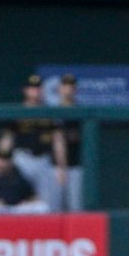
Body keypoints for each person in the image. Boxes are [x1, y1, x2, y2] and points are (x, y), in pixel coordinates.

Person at [0, 74, 67, 212]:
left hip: (44, 160)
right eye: (32, 88)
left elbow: (58, 141)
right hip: (22, 159)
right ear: (26, 90)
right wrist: (2, 159)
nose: (35, 91)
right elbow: (7, 138)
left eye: (38, 88)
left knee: (49, 204)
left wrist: (61, 167)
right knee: (17, 200)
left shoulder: (50, 113)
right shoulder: (17, 112)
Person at [54, 73, 84, 212]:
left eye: (71, 86)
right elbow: (56, 139)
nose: (68, 89)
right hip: (54, 167)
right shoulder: (52, 112)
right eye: (65, 86)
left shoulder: (81, 113)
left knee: (76, 207)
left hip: (76, 165)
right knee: (54, 209)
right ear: (60, 88)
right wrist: (61, 166)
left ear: (75, 89)